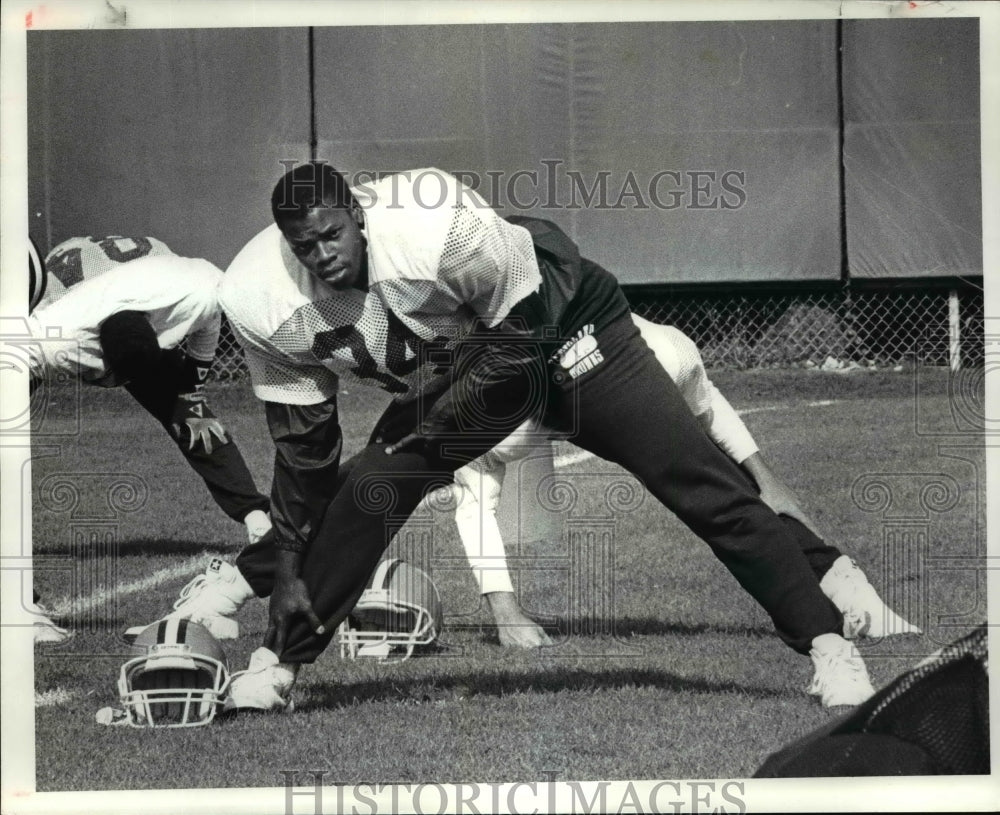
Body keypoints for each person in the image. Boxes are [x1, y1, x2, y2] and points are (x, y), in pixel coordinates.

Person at [219, 163, 879, 712]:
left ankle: (829, 645)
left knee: (694, 479)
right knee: (369, 486)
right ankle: (279, 665)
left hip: (562, 331)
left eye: (331, 235)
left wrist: (429, 421)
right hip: (470, 369)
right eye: (304, 246)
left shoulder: (432, 225)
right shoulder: (260, 298)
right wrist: (286, 562)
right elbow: (304, 454)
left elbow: (520, 345)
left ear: (357, 215)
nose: (321, 255)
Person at [450, 315, 919, 647]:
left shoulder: (486, 398)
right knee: (724, 488)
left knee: (716, 500)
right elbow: (703, 398)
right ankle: (848, 596)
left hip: (602, 380)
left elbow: (473, 499)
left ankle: (832, 622)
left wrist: (506, 616)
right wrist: (760, 476)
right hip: (636, 359)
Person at [27, 238, 272, 641]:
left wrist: (189, 396)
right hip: (66, 308)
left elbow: (199, 358)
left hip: (137, 296)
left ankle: (254, 513)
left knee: (193, 417)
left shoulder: (202, 297)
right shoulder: (58, 334)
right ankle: (19, 604)